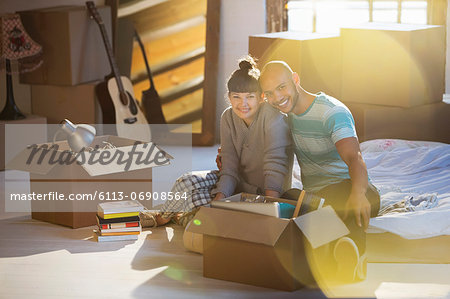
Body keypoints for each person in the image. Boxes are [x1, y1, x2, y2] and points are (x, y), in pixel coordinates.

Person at [259, 60, 380, 283]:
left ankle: (351, 253)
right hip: (316, 195)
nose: (277, 98)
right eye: (269, 93)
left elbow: (355, 158)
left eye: (282, 87)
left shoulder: (332, 112)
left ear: (295, 79)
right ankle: (339, 251)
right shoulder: (281, 116)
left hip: (352, 188)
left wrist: (358, 194)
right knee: (287, 199)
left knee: (333, 199)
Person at [140, 56, 292, 227]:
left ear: (261, 97)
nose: (243, 104)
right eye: (236, 97)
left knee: (203, 219)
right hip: (235, 186)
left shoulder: (274, 119)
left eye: (250, 97)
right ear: (228, 97)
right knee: (187, 184)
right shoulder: (227, 117)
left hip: (265, 194)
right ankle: (163, 217)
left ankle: (180, 216)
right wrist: (218, 202)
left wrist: (269, 208)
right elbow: (229, 167)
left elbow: (275, 165)